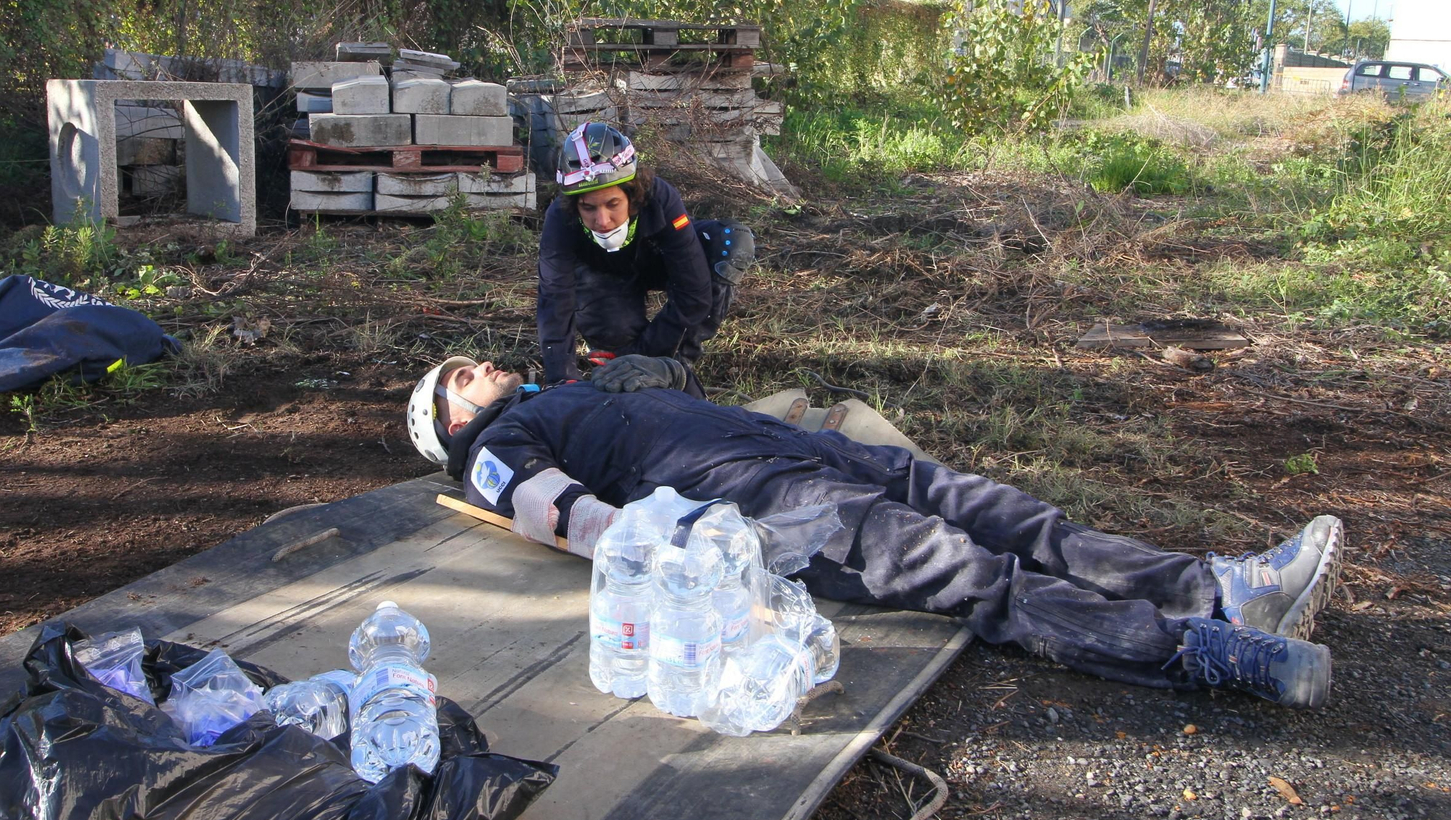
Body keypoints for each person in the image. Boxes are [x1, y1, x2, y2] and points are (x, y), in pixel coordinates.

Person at [406, 354, 1346, 710]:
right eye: (459, 377)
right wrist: (675, 542)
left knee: (1014, 515)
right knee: (978, 575)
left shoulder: (557, 390)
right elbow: (555, 512)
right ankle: (1204, 654)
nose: (479, 367)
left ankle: (1219, 584)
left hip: (800, 452)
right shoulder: (497, 444)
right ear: (451, 423)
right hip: (771, 510)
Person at [537, 121, 754, 388]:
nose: (602, 220)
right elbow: (554, 299)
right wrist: (561, 377)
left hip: (656, 260)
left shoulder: (661, 198)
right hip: (602, 275)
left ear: (633, 194)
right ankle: (621, 356)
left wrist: (654, 357)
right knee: (616, 335)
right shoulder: (559, 218)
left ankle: (677, 361)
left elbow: (694, 290)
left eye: (613, 204)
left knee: (731, 242)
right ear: (574, 205)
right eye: (588, 208)